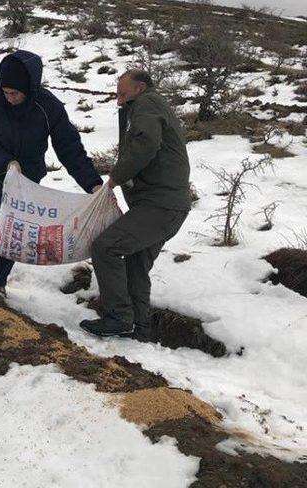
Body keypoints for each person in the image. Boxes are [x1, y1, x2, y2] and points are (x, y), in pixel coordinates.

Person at [0, 50, 103, 295]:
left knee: (17, 220)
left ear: (29, 89)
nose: (9, 98)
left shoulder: (48, 107)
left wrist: (93, 184)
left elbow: (69, 148)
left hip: (28, 170)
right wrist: (6, 161)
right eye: (5, 92)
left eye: (15, 93)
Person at [80, 69, 191, 337]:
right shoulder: (149, 104)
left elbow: (145, 144)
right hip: (167, 205)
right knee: (136, 264)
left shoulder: (146, 104)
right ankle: (139, 327)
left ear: (139, 88)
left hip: (160, 205)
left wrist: (116, 178)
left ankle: (118, 318)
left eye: (122, 94)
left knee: (106, 247)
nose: (119, 101)